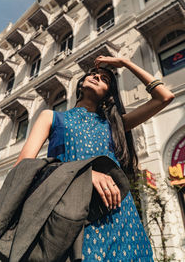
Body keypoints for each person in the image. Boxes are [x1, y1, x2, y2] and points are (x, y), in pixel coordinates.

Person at [15, 55, 174, 261]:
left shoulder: (115, 125)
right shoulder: (52, 117)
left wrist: (124, 63)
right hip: (75, 215)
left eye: (104, 79)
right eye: (93, 75)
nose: (97, 77)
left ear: (109, 95)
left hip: (121, 215)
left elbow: (165, 97)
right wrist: (83, 175)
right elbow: (23, 167)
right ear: (80, 85)